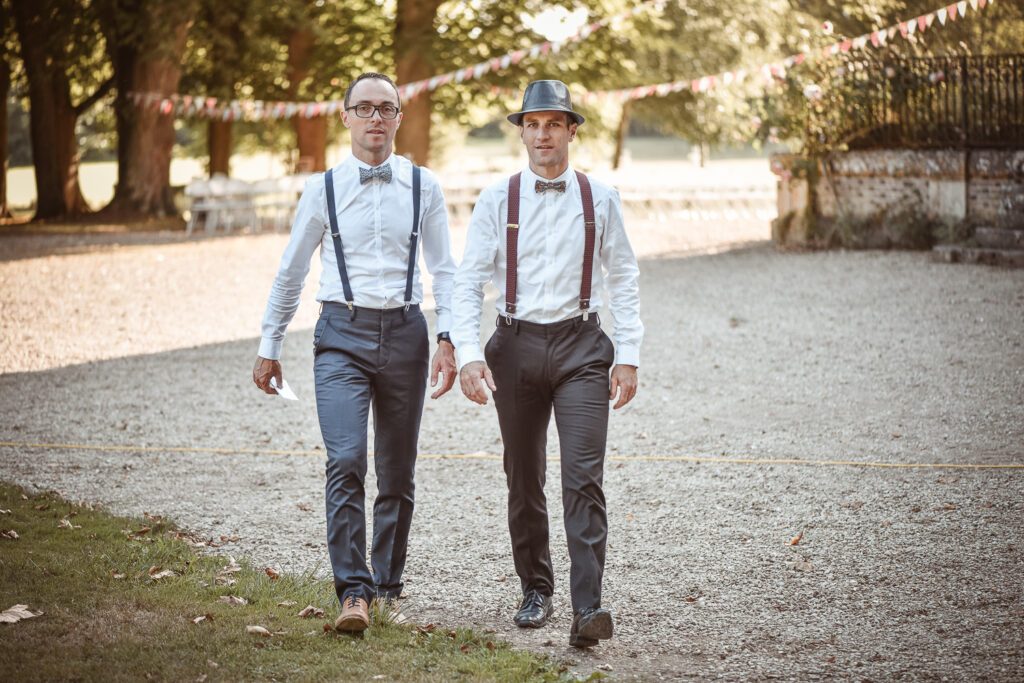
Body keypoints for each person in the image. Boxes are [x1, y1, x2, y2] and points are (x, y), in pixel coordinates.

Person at [252, 72, 457, 632]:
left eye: (384, 109)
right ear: (344, 117)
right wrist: (270, 345)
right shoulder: (322, 187)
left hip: (408, 334)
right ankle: (353, 592)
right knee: (345, 459)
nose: (374, 118)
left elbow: (446, 272)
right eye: (362, 108)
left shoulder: (424, 186)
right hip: (340, 334)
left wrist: (449, 339)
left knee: (397, 469)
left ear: (398, 118)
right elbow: (291, 271)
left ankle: (387, 581)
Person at [451, 79, 643, 648]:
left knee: (583, 476)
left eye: (553, 124)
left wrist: (627, 355)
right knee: (524, 473)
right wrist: (465, 354)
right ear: (522, 132)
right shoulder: (497, 199)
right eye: (532, 125)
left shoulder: (599, 197)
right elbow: (468, 282)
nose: (542, 135)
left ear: (571, 130)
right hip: (513, 348)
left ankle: (589, 606)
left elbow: (623, 276)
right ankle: (536, 587)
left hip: (583, 347)